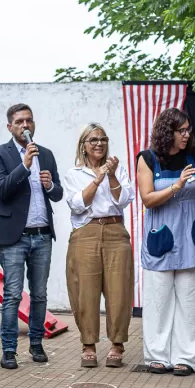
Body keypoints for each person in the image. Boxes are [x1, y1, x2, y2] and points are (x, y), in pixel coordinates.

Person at [137, 108, 195, 376]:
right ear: (166, 132)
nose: (187, 135)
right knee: (158, 301)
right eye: (181, 131)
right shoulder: (147, 159)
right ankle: (156, 356)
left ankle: (187, 358)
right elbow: (147, 199)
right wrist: (176, 186)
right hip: (162, 236)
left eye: (188, 130)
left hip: (191, 237)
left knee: (191, 301)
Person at [0, 104, 63, 370]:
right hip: (14, 236)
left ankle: (36, 344)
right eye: (19, 121)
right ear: (10, 127)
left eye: (29, 120)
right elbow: (1, 190)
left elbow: (58, 194)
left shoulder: (47, 154)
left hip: (42, 234)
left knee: (40, 294)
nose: (25, 125)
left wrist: (50, 184)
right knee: (12, 295)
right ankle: (9, 350)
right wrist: (24, 165)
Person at [64, 123, 135, 368]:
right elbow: (77, 205)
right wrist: (98, 179)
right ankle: (88, 344)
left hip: (116, 231)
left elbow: (124, 199)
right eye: (93, 140)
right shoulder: (74, 173)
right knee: (86, 290)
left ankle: (117, 344)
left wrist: (112, 174)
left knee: (119, 290)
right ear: (83, 146)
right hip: (86, 232)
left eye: (103, 139)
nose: (99, 143)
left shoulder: (119, 169)